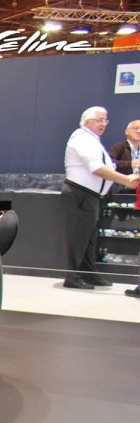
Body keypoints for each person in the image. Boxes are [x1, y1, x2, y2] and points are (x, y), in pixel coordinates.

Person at [61, 106, 139, 289]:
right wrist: (126, 179)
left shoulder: (93, 140)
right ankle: (72, 277)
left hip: (91, 195)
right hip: (79, 193)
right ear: (87, 121)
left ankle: (88, 273)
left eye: (105, 120)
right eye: (99, 120)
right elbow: (96, 168)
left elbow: (107, 166)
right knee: (78, 237)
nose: (103, 124)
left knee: (89, 238)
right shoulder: (82, 139)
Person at [109, 120, 140, 189]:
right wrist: (130, 164)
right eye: (136, 128)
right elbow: (109, 163)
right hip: (122, 190)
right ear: (126, 131)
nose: (139, 131)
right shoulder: (119, 147)